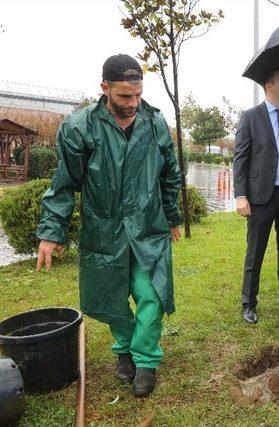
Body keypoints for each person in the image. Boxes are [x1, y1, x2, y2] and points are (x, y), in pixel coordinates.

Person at [36, 54, 182, 397]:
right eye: (124, 97)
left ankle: (145, 359)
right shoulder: (79, 128)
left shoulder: (155, 123)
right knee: (107, 299)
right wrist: (50, 232)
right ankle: (125, 348)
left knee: (152, 294)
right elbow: (63, 182)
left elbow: (169, 174)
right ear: (104, 88)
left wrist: (172, 216)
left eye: (138, 95)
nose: (133, 104)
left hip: (148, 228)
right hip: (104, 230)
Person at [233, 68, 279, 324]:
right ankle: (248, 302)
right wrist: (241, 195)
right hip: (262, 196)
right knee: (255, 251)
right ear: (268, 84)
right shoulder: (251, 117)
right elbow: (240, 158)